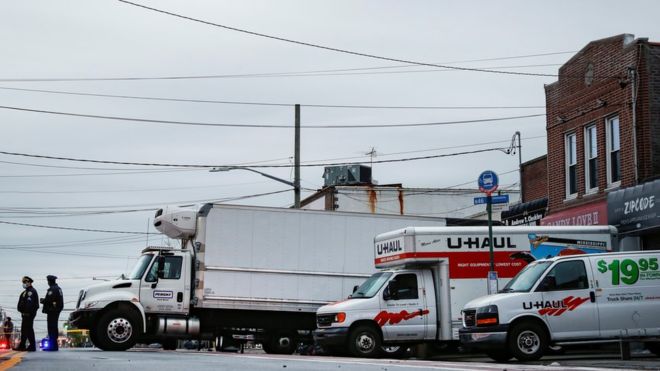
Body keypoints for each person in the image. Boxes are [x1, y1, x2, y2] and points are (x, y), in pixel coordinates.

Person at [16, 276, 39, 351]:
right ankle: (22, 345)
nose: (24, 284)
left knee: (28, 329)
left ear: (29, 282)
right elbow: (21, 303)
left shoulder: (31, 291)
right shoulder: (25, 292)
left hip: (28, 314)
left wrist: (27, 312)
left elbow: (29, 304)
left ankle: (32, 346)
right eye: (23, 282)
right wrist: (20, 310)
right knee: (24, 330)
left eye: (25, 282)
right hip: (24, 314)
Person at [42, 275, 63, 351]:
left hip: (52, 310)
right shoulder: (58, 288)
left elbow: (49, 300)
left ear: (49, 281)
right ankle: (54, 345)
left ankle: (52, 346)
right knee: (54, 327)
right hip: (56, 310)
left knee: (51, 328)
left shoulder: (52, 289)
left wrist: (43, 301)